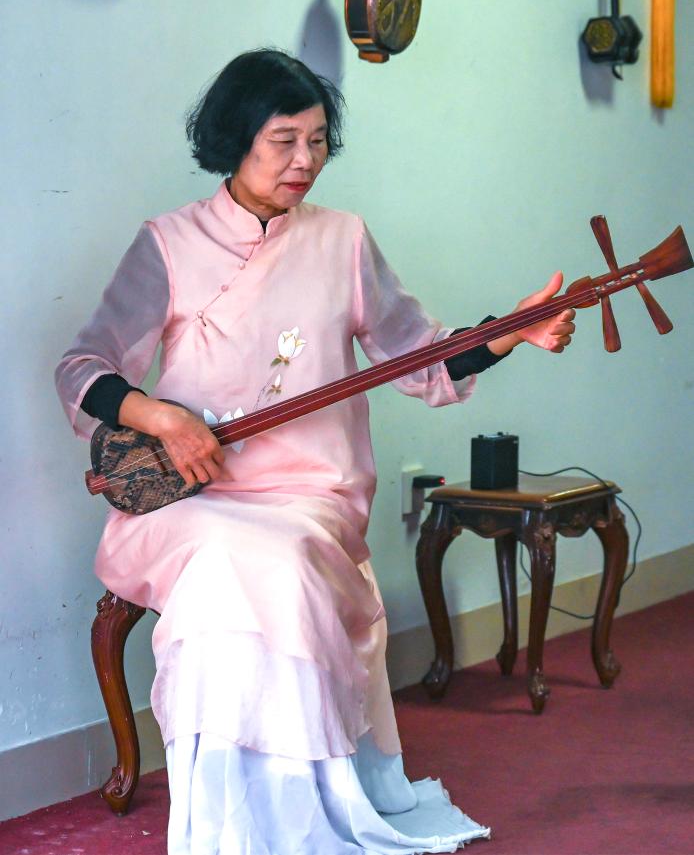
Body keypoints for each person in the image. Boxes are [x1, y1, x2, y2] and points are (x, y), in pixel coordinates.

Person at [56, 49, 574, 855]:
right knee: (228, 561)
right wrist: (158, 416)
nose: (305, 159)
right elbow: (83, 366)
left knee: (271, 561)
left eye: (318, 141)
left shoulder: (343, 240)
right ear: (236, 139)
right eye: (283, 141)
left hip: (309, 496)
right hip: (193, 497)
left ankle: (298, 813)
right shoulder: (168, 243)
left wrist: (510, 334)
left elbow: (419, 355)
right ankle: (225, 821)